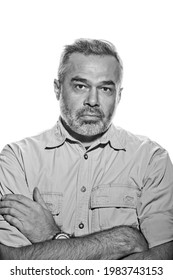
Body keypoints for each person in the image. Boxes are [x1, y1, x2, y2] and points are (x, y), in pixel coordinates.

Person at [0, 39, 173, 260]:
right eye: (80, 86)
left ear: (119, 95)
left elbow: (162, 261)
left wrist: (52, 237)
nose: (93, 100)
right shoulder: (18, 159)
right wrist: (124, 240)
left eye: (105, 88)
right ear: (57, 89)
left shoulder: (151, 160)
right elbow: (12, 260)